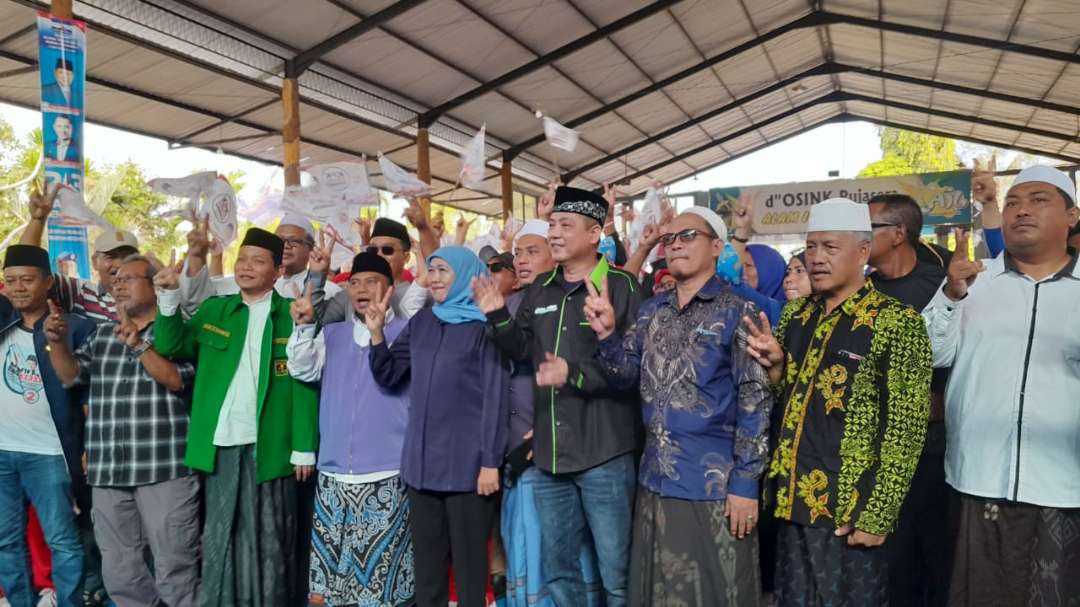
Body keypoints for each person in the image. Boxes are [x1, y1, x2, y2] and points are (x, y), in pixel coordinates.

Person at [743, 198, 932, 605]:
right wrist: (776, 371)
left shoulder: (897, 322)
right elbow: (788, 399)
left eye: (830, 247)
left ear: (863, 252)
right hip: (792, 501)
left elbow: (906, 428)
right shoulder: (795, 315)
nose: (817, 258)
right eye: (811, 247)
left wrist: (878, 513)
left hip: (850, 510)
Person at [589, 207, 772, 606]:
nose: (675, 244)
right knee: (659, 592)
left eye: (687, 235)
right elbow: (624, 376)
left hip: (712, 485)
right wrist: (606, 336)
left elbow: (755, 399)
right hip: (655, 478)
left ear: (717, 246)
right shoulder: (652, 310)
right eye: (670, 239)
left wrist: (746, 482)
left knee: (714, 591)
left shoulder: (738, 311)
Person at [473, 186, 642, 607]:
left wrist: (575, 375)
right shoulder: (540, 289)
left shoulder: (622, 288)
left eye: (566, 225)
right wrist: (496, 313)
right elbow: (520, 350)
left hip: (605, 452)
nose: (555, 233)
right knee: (559, 569)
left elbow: (635, 371)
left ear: (594, 234)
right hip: (551, 456)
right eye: (552, 224)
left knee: (616, 573)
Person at [923, 165, 1080, 606]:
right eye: (1012, 202)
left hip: (1065, 485)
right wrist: (951, 296)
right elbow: (930, 354)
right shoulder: (972, 279)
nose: (1021, 211)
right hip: (979, 478)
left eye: (1038, 200)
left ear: (1072, 216)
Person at [153, 227, 319, 606]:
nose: (246, 267)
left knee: (270, 539)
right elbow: (170, 344)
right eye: (242, 259)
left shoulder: (291, 314)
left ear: (277, 271)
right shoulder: (216, 309)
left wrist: (304, 446)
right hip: (221, 444)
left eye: (258, 261)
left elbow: (304, 384)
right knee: (221, 535)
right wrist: (167, 296)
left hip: (272, 447)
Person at [44, 255, 200, 607]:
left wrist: (139, 345)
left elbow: (176, 379)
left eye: (129, 278)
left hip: (164, 468)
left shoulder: (177, 330)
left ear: (155, 286)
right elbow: (70, 376)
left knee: (175, 567)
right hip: (109, 469)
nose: (118, 284)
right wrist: (57, 343)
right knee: (120, 570)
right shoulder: (102, 334)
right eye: (116, 279)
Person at [368, 245, 508, 607]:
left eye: (444, 271)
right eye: (432, 271)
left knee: (470, 575)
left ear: (466, 275)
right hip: (421, 468)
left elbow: (496, 397)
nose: (435, 279)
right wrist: (377, 334)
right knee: (427, 573)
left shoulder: (485, 327)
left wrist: (491, 461)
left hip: (469, 470)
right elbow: (388, 374)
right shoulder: (423, 322)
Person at [287, 252, 414, 607]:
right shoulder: (333, 333)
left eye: (372, 282)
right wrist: (302, 327)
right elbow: (302, 369)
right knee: (330, 588)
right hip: (333, 475)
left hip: (387, 473)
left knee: (381, 585)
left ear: (390, 288)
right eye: (355, 283)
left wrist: (378, 333)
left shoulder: (406, 332)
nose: (361, 289)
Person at [500, 220, 601, 607]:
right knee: (525, 544)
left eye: (532, 251)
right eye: (517, 253)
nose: (522, 260)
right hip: (514, 444)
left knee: (563, 550)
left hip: (561, 444)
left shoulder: (582, 299)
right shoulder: (510, 303)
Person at [865, 192, 952, 606]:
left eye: (869, 228)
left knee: (935, 557)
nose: (859, 238)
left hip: (935, 448)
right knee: (888, 562)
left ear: (899, 233)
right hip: (874, 452)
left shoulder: (943, 286)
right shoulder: (859, 292)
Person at [0, 245, 95, 607]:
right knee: (6, 540)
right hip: (3, 451)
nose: (18, 287)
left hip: (52, 453)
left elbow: (89, 396)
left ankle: (70, 601)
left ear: (49, 282)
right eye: (10, 281)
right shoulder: (3, 322)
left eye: (27, 279)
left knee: (63, 540)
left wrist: (88, 447)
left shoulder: (76, 329)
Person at [19, 183, 138, 324]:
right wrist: (38, 220)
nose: (119, 264)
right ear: (95, 261)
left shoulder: (151, 296)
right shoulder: (79, 292)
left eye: (127, 257)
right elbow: (26, 268)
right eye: (111, 256)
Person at [179, 213, 342, 304]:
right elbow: (197, 297)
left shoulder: (329, 291)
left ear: (311, 248)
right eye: (279, 241)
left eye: (293, 241)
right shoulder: (248, 281)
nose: (284, 246)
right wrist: (197, 257)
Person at [310, 217, 429, 322]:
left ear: (406, 257)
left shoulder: (422, 296)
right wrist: (317, 273)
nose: (379, 255)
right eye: (373, 250)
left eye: (387, 250)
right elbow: (316, 318)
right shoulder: (354, 293)